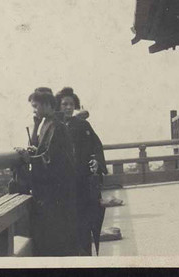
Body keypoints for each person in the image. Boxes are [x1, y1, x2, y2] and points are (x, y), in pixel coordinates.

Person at [15, 89, 79, 256]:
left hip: (56, 194)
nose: (34, 110)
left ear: (45, 104)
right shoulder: (48, 123)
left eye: (35, 106)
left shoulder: (56, 126)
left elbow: (52, 160)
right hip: (54, 192)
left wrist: (30, 158)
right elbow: (47, 153)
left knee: (56, 240)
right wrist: (35, 151)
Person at [54, 87, 108, 256]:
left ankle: (87, 258)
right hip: (64, 187)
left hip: (83, 184)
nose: (68, 107)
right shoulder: (55, 127)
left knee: (86, 225)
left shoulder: (83, 125)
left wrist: (96, 161)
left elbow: (96, 146)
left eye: (71, 104)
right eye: (64, 104)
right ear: (58, 106)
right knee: (68, 228)